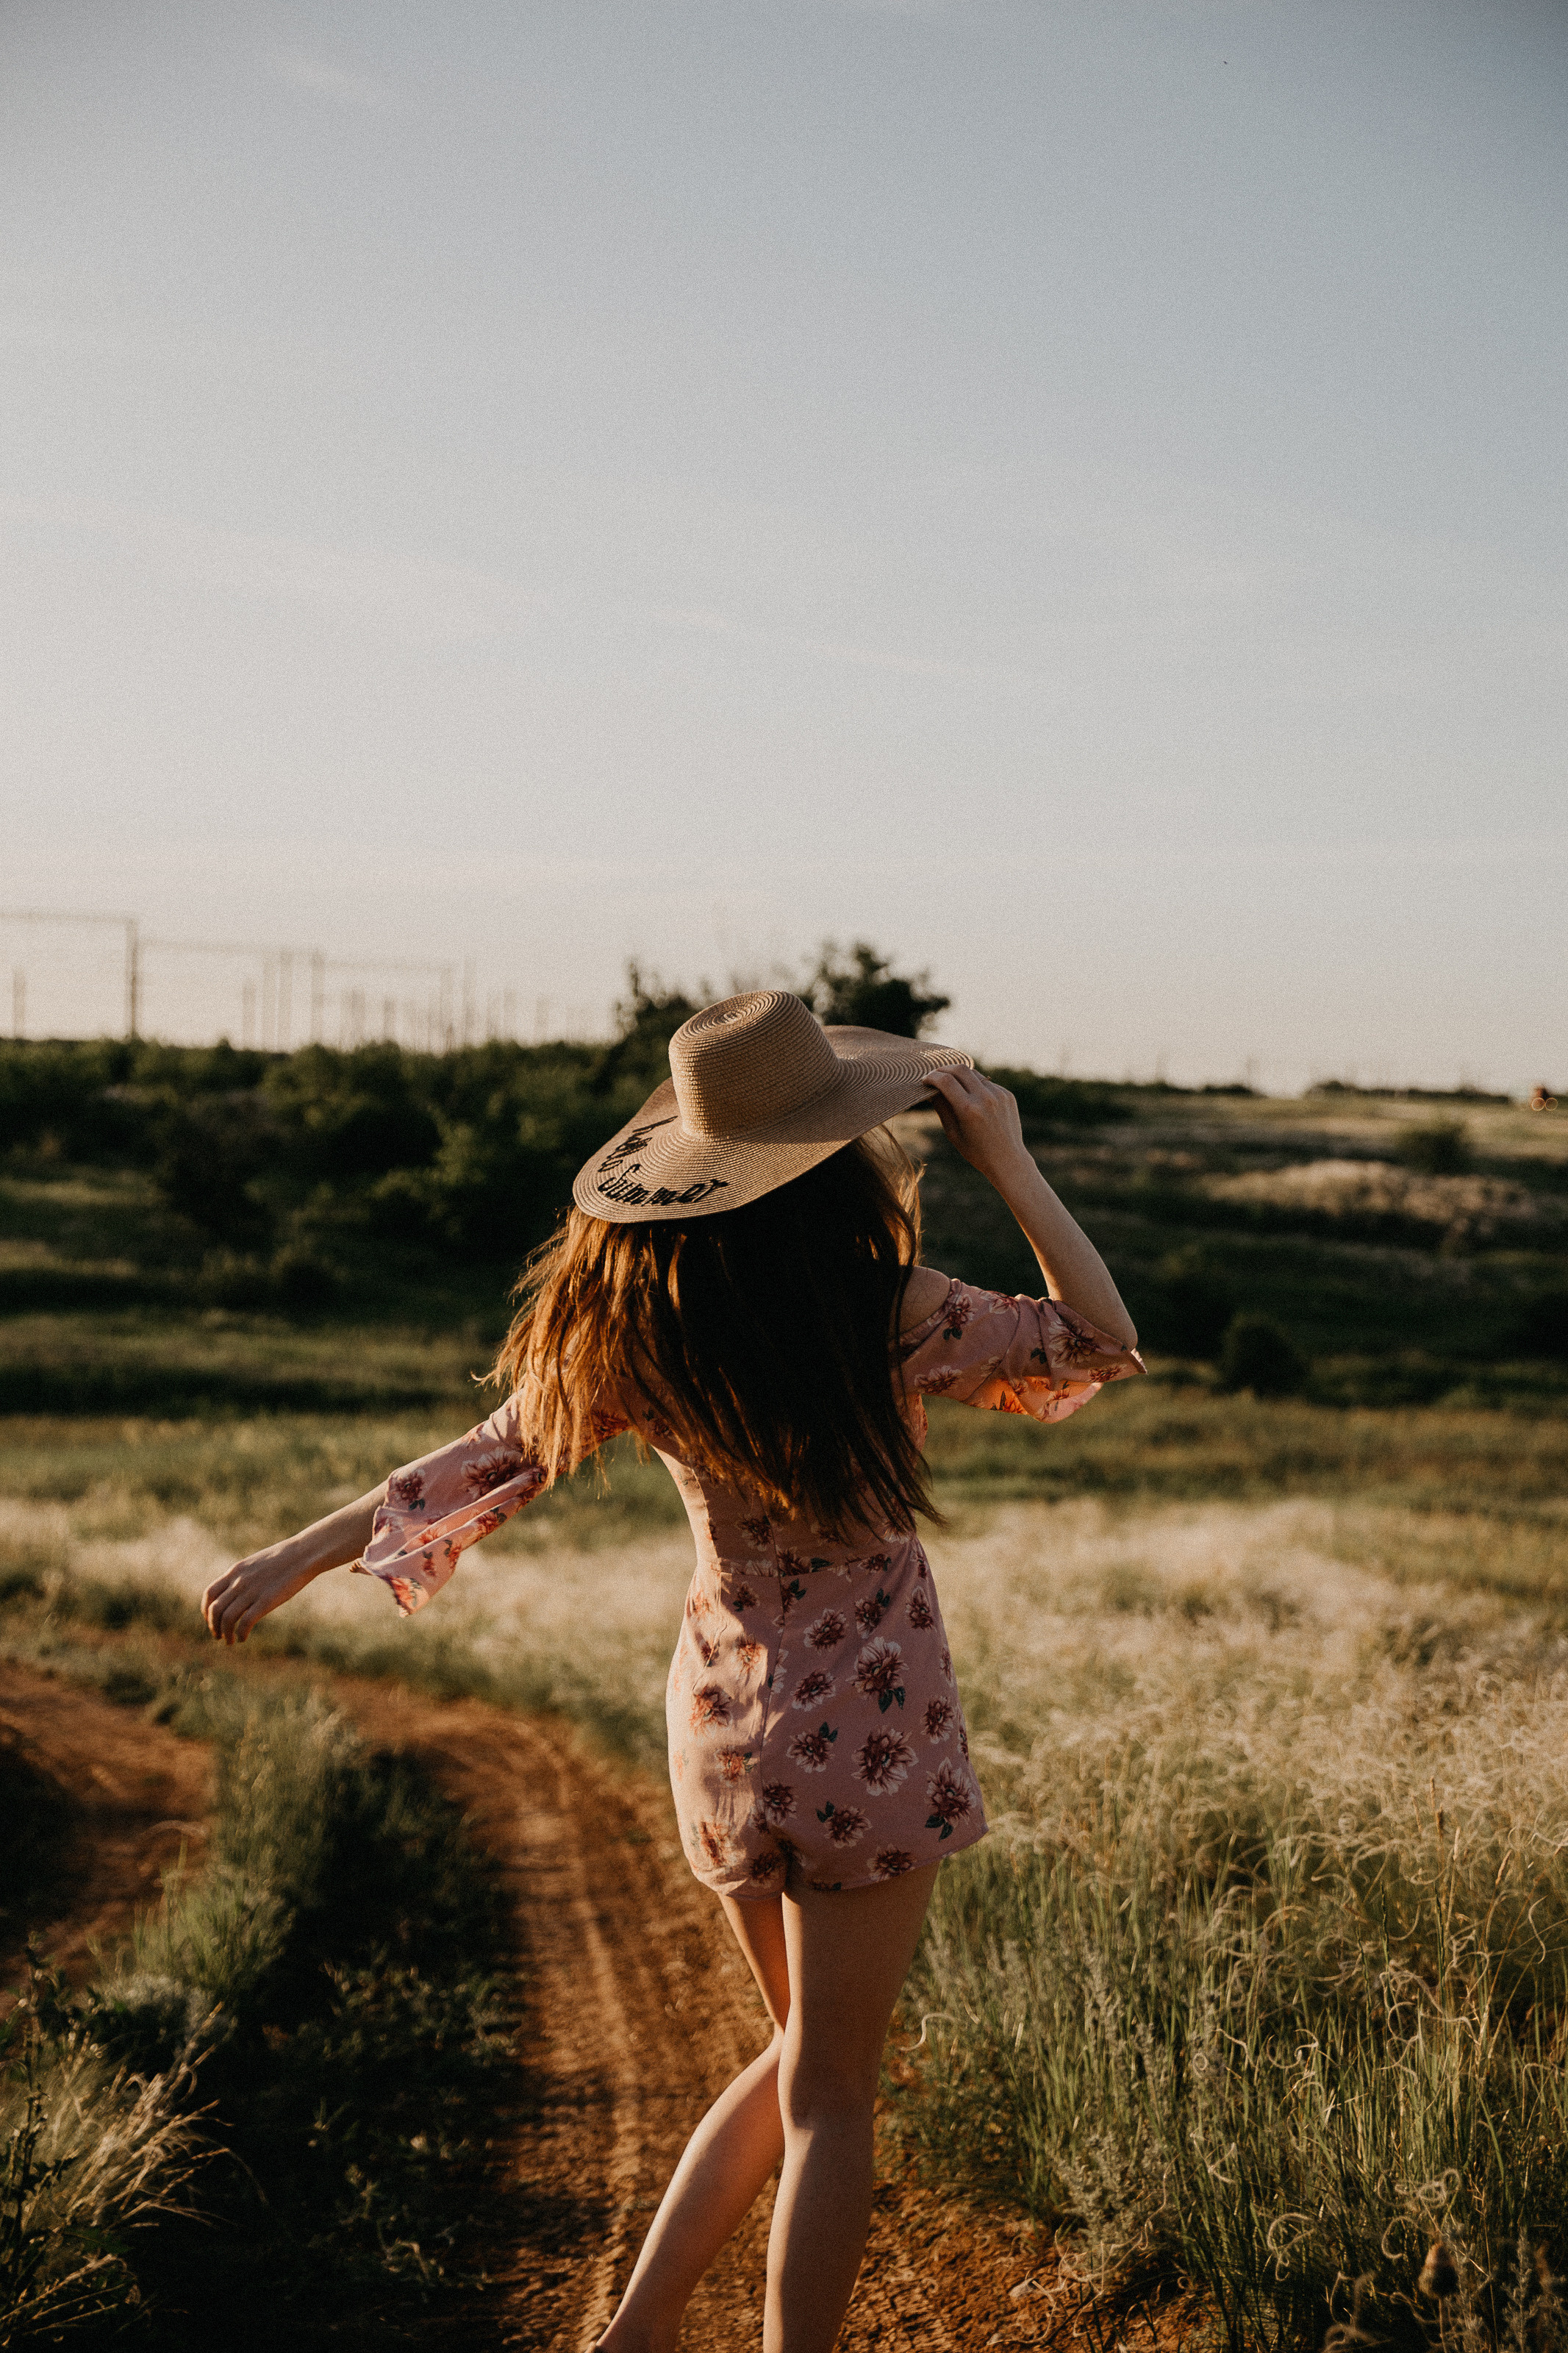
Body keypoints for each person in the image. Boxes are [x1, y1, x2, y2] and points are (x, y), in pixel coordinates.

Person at [202, 990, 1142, 2353]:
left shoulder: (639, 1321)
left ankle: (632, 2338)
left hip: (720, 1728)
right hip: (872, 1724)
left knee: (793, 2061)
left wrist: (299, 1551)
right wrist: (1010, 1162)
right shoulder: (890, 1312)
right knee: (833, 2093)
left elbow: (483, 1459)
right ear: (836, 1154)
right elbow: (1096, 1344)